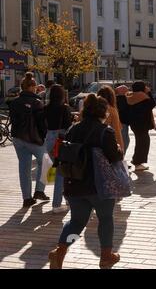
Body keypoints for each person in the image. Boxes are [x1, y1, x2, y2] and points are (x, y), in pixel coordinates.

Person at [48, 94, 123, 269]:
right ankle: (106, 256)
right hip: (100, 185)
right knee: (105, 219)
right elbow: (114, 157)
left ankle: (59, 252)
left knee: (76, 221)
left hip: (75, 183)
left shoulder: (73, 129)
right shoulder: (106, 131)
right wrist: (118, 149)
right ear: (103, 111)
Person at [9, 72, 49, 208]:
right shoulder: (37, 102)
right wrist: (44, 137)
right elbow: (42, 124)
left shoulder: (14, 102)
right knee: (46, 162)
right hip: (34, 139)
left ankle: (26, 198)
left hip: (18, 138)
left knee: (24, 168)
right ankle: (39, 190)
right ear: (32, 87)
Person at [43, 84, 73, 213]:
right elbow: (68, 126)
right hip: (60, 139)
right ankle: (57, 204)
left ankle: (64, 200)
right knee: (62, 173)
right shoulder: (64, 108)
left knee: (57, 172)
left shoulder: (45, 108)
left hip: (48, 139)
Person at [127, 81, 156, 171]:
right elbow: (152, 104)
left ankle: (137, 161)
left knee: (140, 142)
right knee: (143, 143)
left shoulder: (130, 96)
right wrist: (149, 92)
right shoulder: (142, 96)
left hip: (135, 124)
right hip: (142, 124)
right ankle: (137, 162)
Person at [97, 86, 125, 152]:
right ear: (112, 97)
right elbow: (117, 131)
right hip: (106, 144)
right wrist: (121, 149)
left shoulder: (90, 108)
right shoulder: (111, 110)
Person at [115, 85, 130, 155]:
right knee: (124, 140)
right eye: (127, 90)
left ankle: (121, 157)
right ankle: (121, 157)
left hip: (120, 122)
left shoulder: (115, 99)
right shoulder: (124, 99)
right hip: (123, 122)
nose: (128, 92)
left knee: (125, 140)